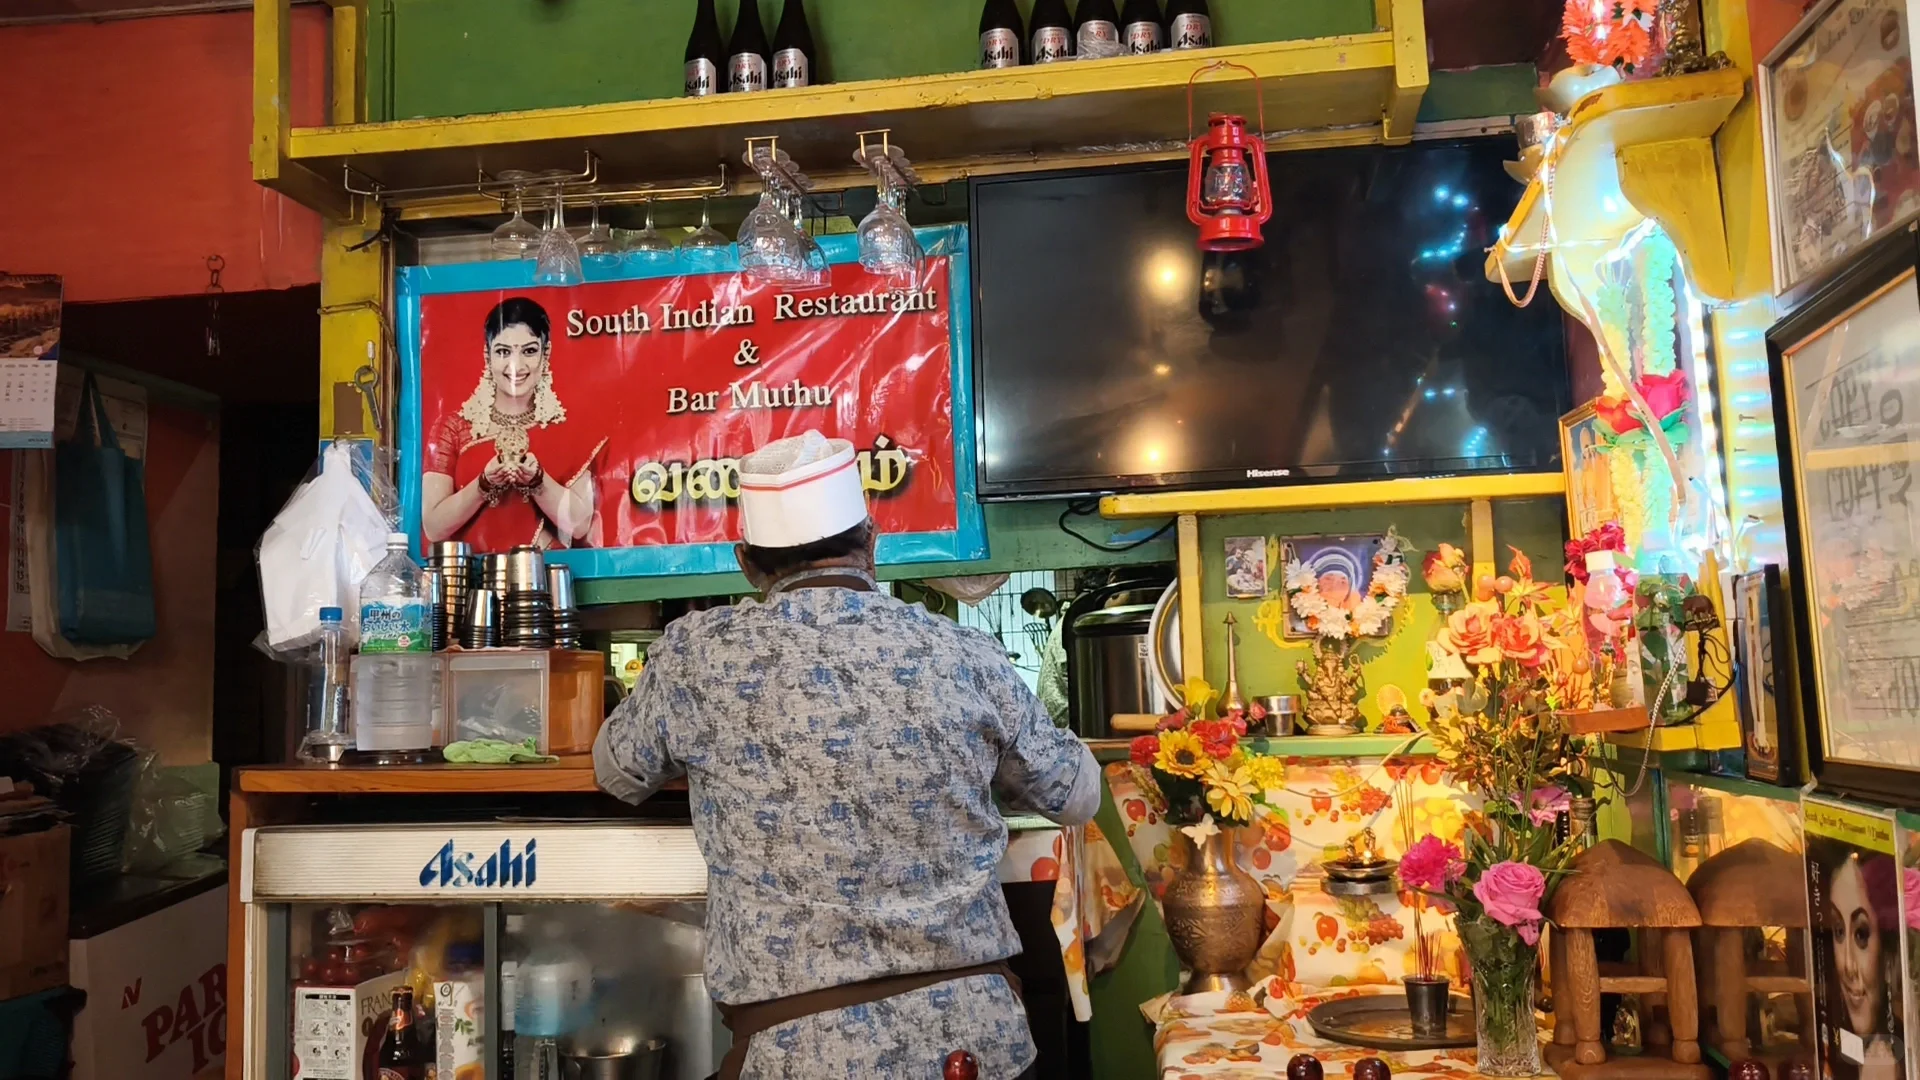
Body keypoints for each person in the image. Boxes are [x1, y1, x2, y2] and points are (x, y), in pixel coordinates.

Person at [593, 430, 1099, 1080]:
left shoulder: (696, 657)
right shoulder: (964, 654)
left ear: (747, 563)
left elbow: (617, 772)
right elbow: (1077, 796)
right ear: (872, 543)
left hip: (792, 1055)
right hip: (974, 1046)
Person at [421, 297, 605, 550]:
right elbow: (433, 526)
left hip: (546, 576)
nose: (515, 366)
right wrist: (483, 485)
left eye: (529, 351)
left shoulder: (566, 427)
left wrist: (538, 482)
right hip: (476, 581)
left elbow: (579, 524)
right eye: (503, 351)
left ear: (545, 353)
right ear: (488, 355)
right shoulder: (455, 427)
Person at [1822, 853, 1904, 1080]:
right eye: (1839, 931)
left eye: (1861, 934)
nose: (1847, 965)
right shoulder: (1833, 1047)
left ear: (1889, 951)